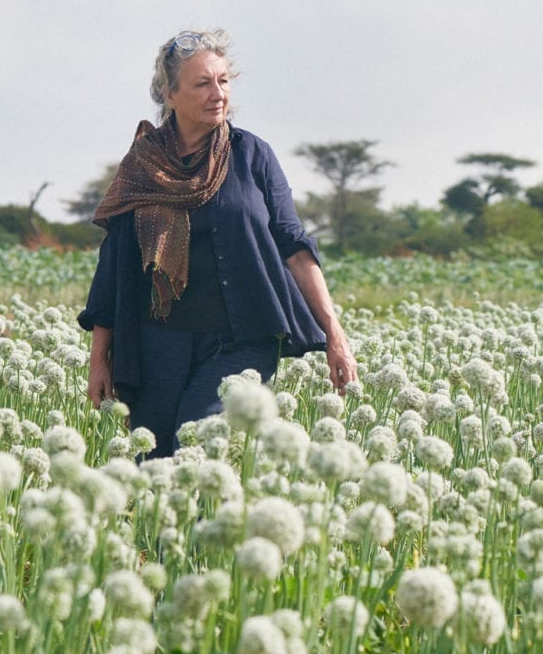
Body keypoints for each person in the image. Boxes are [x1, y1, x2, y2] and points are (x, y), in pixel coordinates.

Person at [78, 28, 358, 458]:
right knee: (153, 464)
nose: (218, 94)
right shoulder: (142, 164)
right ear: (168, 95)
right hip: (157, 344)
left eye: (223, 81)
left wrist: (334, 333)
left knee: (198, 447)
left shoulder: (252, 155)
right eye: (203, 84)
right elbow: (115, 269)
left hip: (240, 342)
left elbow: (293, 245)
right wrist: (99, 360)